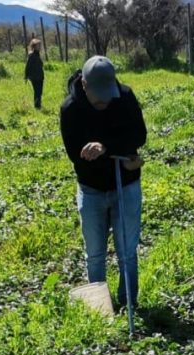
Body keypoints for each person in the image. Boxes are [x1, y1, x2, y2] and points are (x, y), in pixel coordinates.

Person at [60, 56, 147, 311]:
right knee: (95, 254)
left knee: (127, 253)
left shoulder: (125, 97)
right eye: (98, 95)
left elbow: (138, 135)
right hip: (92, 189)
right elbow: (76, 155)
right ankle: (100, 311)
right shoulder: (70, 110)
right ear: (84, 85)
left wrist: (106, 147)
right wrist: (115, 155)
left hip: (126, 185)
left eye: (107, 94)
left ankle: (130, 304)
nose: (104, 100)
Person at [24, 39, 44, 110]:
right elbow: (27, 66)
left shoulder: (38, 54)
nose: (39, 47)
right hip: (34, 77)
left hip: (40, 76)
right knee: (37, 91)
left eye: (40, 45)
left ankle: (39, 104)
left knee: (40, 91)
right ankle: (37, 106)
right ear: (34, 46)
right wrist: (26, 76)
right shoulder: (31, 55)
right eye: (38, 45)